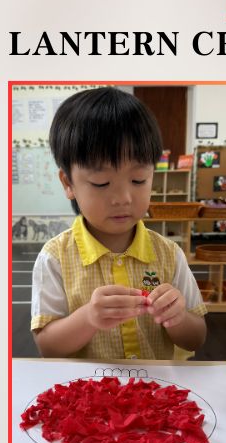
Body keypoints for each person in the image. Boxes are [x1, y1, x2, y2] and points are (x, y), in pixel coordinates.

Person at [31, 87, 207, 359]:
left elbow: (197, 337)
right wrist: (88, 318)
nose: (123, 198)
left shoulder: (169, 254)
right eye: (101, 183)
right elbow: (47, 345)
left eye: (138, 180)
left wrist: (179, 318)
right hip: (87, 395)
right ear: (68, 184)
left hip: (155, 393)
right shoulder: (55, 258)